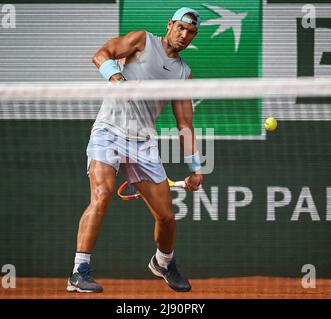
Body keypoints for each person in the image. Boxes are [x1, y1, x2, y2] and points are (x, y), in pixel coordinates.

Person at [67, 7, 203, 293]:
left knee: (166, 217)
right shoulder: (142, 41)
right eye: (180, 28)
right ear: (170, 25)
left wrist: (195, 168)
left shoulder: (183, 73)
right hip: (109, 132)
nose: (184, 35)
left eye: (190, 32)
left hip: (142, 142)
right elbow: (101, 54)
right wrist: (119, 81)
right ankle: (79, 271)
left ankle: (163, 262)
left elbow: (185, 124)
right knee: (101, 195)